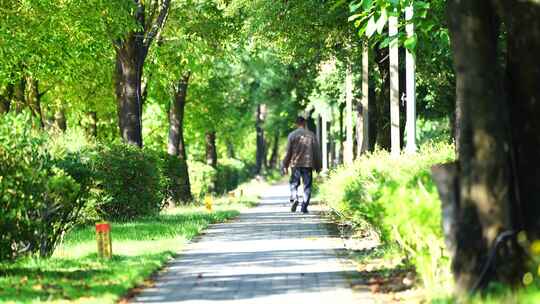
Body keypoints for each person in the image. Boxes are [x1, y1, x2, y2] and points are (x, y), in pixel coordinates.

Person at [281, 116, 322, 213]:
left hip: (295, 164)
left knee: (294, 183)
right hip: (308, 164)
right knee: (307, 185)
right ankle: (304, 207)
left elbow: (288, 152)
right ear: (305, 123)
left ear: (296, 124)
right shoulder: (311, 135)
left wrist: (285, 165)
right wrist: (318, 166)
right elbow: (316, 151)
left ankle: (294, 197)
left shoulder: (292, 135)